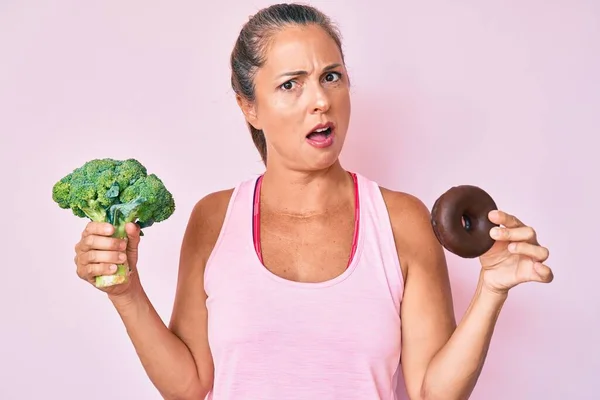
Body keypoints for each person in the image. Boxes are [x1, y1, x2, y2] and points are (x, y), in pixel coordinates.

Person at [72, 3, 554, 399]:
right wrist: (126, 292)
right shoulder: (214, 218)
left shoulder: (402, 220)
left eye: (332, 76)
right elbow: (191, 386)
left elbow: (434, 392)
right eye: (291, 84)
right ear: (249, 107)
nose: (320, 100)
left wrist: (491, 290)